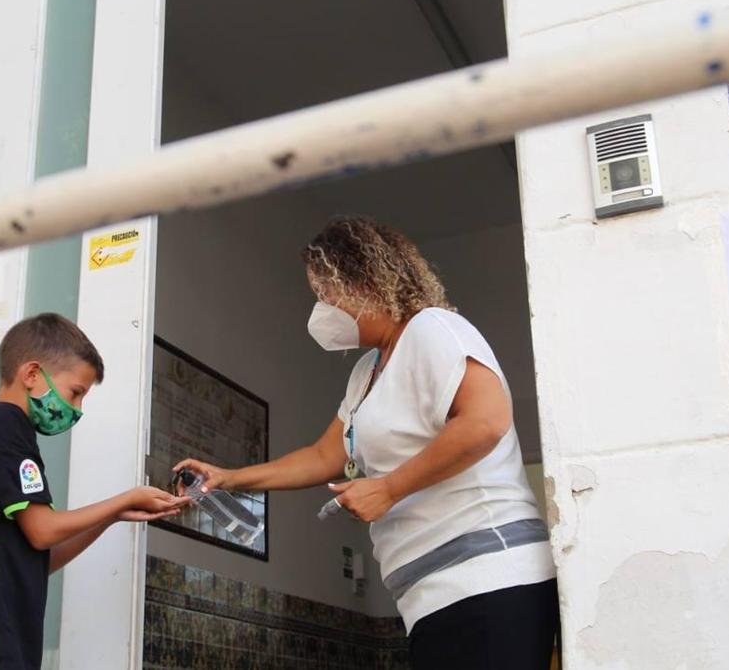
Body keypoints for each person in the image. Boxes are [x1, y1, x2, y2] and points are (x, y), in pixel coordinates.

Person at [176, 217, 559, 669]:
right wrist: (229, 479)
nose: (320, 309)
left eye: (324, 293)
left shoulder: (432, 329)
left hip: (488, 579)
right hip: (429, 596)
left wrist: (389, 488)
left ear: (362, 282)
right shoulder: (366, 374)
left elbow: (486, 421)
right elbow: (323, 456)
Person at [0, 313, 188, 670]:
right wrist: (124, 498)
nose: (76, 409)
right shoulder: (5, 425)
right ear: (32, 374)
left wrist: (114, 515)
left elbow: (39, 558)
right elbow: (43, 531)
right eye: (76, 392)